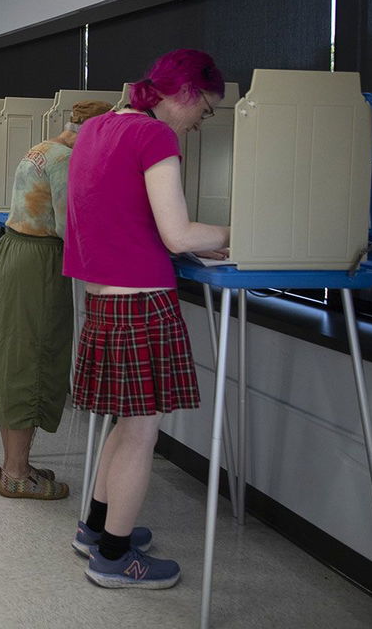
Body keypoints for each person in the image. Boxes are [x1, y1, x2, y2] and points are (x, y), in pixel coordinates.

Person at [64, 49, 230, 588]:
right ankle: (114, 559)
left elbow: (121, 213)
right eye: (203, 109)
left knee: (125, 422)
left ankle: (95, 529)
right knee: (142, 433)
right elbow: (178, 235)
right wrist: (238, 233)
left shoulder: (97, 129)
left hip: (104, 298)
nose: (200, 121)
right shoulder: (157, 137)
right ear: (183, 92)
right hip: (142, 300)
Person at [0, 99, 114, 500]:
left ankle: (13, 463)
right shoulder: (67, 161)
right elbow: (67, 224)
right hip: (38, 261)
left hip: (14, 251)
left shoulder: (42, 148)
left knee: (12, 356)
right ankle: (18, 474)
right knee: (33, 360)